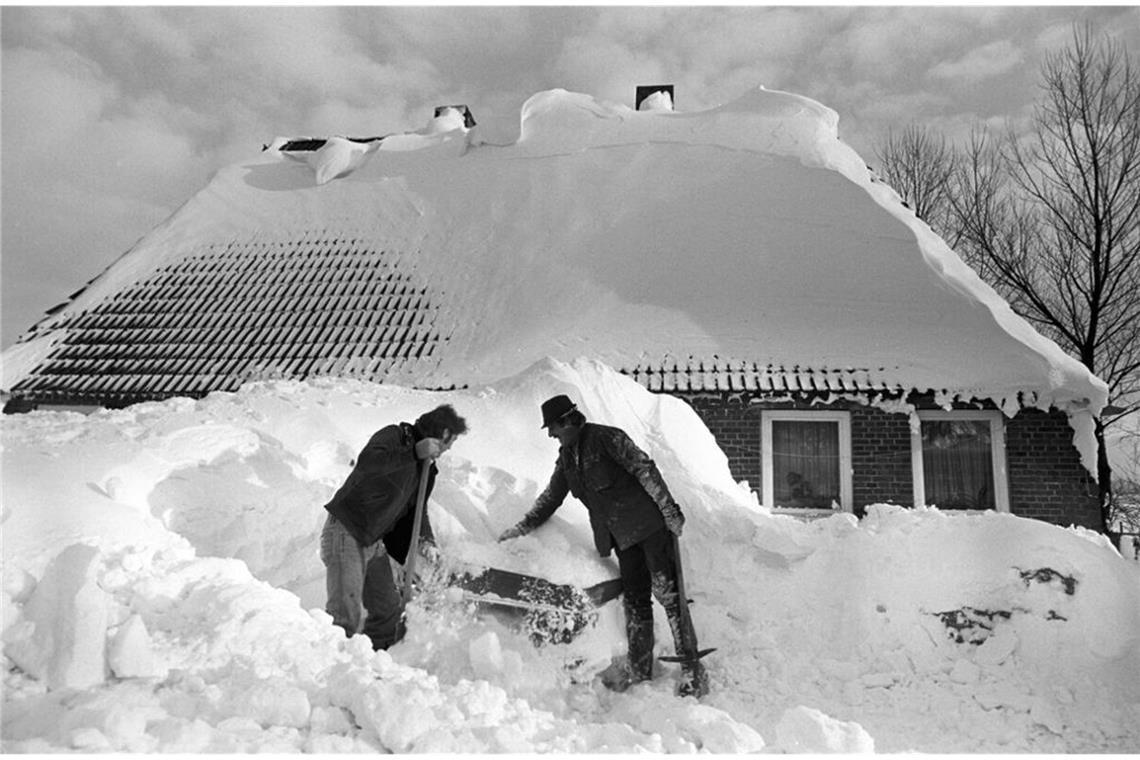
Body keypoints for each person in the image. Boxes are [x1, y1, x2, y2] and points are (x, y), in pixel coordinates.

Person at [499, 395, 709, 697]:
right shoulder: (567, 458)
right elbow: (551, 497)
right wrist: (523, 526)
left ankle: (692, 671)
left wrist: (670, 511)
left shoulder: (606, 438)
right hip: (623, 539)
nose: (550, 434)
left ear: (568, 420)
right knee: (637, 602)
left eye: (553, 427)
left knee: (671, 597)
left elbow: (644, 469)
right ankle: (640, 672)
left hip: (650, 528)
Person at [320, 404, 467, 650]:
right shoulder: (395, 436)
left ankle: (376, 666)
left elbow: (416, 513)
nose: (448, 449)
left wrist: (426, 543)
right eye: (447, 442)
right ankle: (334, 675)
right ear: (436, 434)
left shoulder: (427, 470)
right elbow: (369, 463)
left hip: (372, 541)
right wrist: (413, 453)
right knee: (345, 616)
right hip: (346, 530)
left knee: (388, 609)